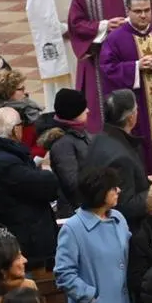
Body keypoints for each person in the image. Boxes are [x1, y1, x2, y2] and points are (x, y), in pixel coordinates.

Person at [54, 168, 138, 303]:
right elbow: (64, 273)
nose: (118, 190)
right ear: (99, 191)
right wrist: (91, 297)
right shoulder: (73, 228)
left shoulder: (118, 218)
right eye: (112, 187)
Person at [100, 0, 152, 174]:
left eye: (147, 10)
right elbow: (107, 68)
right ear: (128, 11)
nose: (143, 15)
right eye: (137, 11)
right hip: (137, 105)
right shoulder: (115, 38)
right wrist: (136, 67)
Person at [68, 0, 141, 132]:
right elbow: (76, 25)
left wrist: (130, 22)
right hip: (98, 58)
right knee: (99, 105)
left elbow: (146, 11)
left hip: (128, 55)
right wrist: (105, 26)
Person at [0, 107, 58, 269]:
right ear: (15, 130)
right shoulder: (6, 162)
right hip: (23, 239)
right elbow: (44, 187)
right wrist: (47, 169)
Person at [84, 89, 152, 229]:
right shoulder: (121, 157)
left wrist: (142, 181)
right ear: (131, 118)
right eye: (136, 109)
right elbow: (125, 206)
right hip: (123, 231)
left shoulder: (99, 138)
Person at [39, 89, 92, 217]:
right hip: (78, 212)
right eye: (83, 108)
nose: (88, 110)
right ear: (73, 113)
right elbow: (72, 185)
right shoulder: (63, 145)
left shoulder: (79, 133)